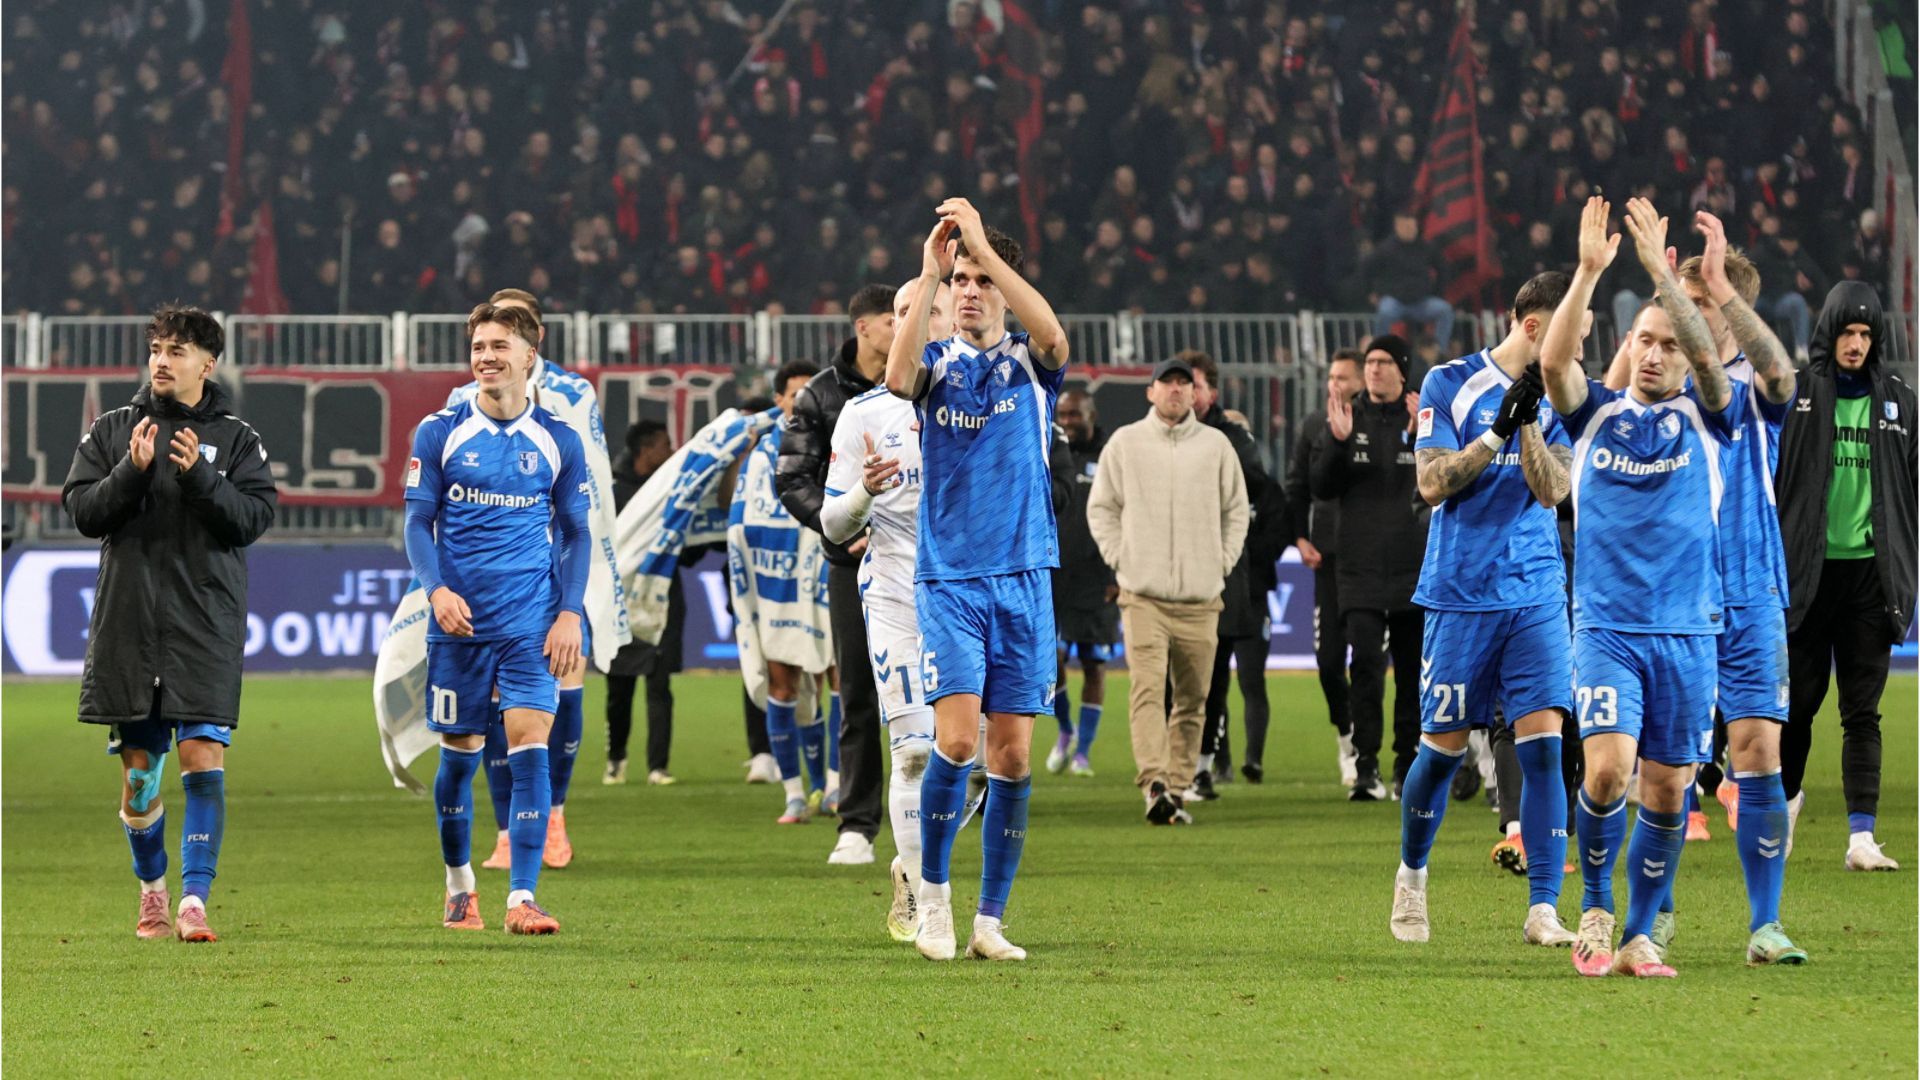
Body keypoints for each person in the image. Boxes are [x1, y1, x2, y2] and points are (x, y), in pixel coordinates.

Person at [1601, 216, 1811, 960]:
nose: (1681, 318)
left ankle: (1764, 923)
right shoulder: (1652, 388)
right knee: (1668, 769)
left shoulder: (1751, 387)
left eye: (1698, 304)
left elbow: (1785, 376)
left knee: (1757, 750)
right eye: (1673, 302)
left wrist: (1712, 283)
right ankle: (1653, 915)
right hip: (1669, 599)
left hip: (1749, 587)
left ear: (1725, 310)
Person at [1542, 197, 1739, 978]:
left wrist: (1662, 271)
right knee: (1607, 773)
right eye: (1642, 342)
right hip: (1608, 630)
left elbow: (1715, 368)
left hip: (1689, 633)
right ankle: (1595, 906)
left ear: (1690, 356)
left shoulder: (1712, 418)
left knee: (1666, 793)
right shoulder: (1595, 419)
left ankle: (1640, 934)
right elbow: (1556, 365)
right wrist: (1589, 274)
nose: (1653, 355)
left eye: (1668, 343)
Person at [885, 199, 1070, 962]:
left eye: (979, 280)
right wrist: (930, 270)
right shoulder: (937, 368)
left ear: (1003, 285)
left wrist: (989, 249)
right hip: (952, 580)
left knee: (1014, 758)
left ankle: (990, 922)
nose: (967, 291)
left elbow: (1055, 333)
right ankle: (934, 900)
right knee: (955, 744)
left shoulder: (1033, 363)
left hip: (1026, 578)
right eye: (959, 280)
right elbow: (896, 377)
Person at [63, 306, 278, 942]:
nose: (162, 359)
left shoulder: (238, 440)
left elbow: (252, 520)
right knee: (139, 779)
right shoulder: (111, 430)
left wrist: (200, 475)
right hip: (129, 626)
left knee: (203, 756)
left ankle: (192, 902)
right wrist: (130, 471)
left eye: (177, 350)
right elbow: (82, 511)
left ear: (207, 364)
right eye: (157, 348)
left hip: (203, 621)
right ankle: (151, 889)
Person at [1384, 270, 1582, 949]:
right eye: (1571, 332)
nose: (1579, 345)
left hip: (1534, 593)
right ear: (1534, 329)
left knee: (1545, 748)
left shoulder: (1561, 396)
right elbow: (1433, 483)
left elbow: (1554, 490)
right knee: (1439, 754)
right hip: (1461, 594)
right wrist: (1495, 432)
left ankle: (1544, 908)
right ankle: (1411, 876)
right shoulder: (1449, 382)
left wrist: (1526, 424)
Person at [405, 301, 589, 935]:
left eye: (498, 346)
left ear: (529, 355)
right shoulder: (439, 431)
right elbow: (415, 523)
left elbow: (577, 534)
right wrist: (435, 592)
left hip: (530, 626)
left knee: (529, 747)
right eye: (478, 345)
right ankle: (460, 887)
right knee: (459, 756)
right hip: (458, 627)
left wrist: (568, 612)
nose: (486, 356)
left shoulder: (559, 439)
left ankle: (522, 897)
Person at [451, 289, 618, 873]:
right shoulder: (461, 399)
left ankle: (555, 814)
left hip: (561, 566)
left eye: (508, 334)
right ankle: (506, 829)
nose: (491, 351)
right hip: (495, 577)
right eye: (485, 339)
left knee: (565, 689)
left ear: (534, 337)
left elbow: (594, 483)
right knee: (501, 704)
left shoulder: (575, 394)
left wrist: (595, 572)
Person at [821, 274, 954, 943]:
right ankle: (929, 898)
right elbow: (833, 523)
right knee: (914, 754)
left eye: (922, 310)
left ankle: (918, 862)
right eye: (900, 313)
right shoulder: (864, 415)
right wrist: (865, 497)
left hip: (974, 595)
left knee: (977, 762)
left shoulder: (988, 405)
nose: (910, 322)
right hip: (896, 591)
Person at [1776, 280, 1917, 872]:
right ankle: (1780, 814)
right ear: (1828, 333)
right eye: (1846, 332)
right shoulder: (1797, 395)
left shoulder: (1901, 402)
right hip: (1807, 576)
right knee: (1799, 707)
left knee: (1863, 711)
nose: (1855, 343)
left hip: (1869, 578)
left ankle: (1862, 837)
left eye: (1865, 334)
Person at [1086, 355, 1250, 825]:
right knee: (1147, 689)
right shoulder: (1125, 443)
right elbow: (1102, 509)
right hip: (1144, 595)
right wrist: (1123, 559)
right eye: (1167, 383)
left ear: (1195, 393)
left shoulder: (1216, 445)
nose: (1176, 390)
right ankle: (1154, 782)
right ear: (1151, 391)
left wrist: (1218, 564)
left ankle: (1176, 789)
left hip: (1201, 596)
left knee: (1194, 699)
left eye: (1184, 383)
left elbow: (1236, 512)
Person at [778, 284, 898, 866]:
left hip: (923, 562)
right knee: (857, 691)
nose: (903, 327)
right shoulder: (820, 396)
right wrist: (844, 533)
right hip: (851, 565)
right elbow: (792, 480)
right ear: (865, 328)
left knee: (937, 691)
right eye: (892, 319)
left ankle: (937, 808)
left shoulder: (921, 381)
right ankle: (857, 823)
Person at [1311, 334, 1425, 803]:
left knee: (1411, 675)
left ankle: (1405, 766)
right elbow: (1321, 486)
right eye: (1370, 362)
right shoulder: (1345, 418)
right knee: (1365, 670)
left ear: (1402, 370)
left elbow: (1444, 483)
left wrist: (1425, 440)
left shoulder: (1424, 418)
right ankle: (1366, 768)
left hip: (1412, 567)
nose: (1374, 370)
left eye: (1383, 363)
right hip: (1357, 570)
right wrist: (1337, 444)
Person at [736, 360, 834, 824]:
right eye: (793, 394)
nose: (800, 402)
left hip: (824, 572)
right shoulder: (759, 456)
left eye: (808, 393)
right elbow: (742, 519)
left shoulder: (835, 438)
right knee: (784, 682)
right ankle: (795, 793)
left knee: (835, 678)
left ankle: (833, 785)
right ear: (778, 399)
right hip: (776, 580)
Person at [1185, 349, 1279, 799]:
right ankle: (1175, 764)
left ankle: (1202, 766)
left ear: (1211, 392)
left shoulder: (1232, 436)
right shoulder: (1153, 433)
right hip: (1169, 573)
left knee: (1216, 675)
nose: (1186, 393)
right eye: (1181, 384)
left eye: (1196, 385)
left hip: (1221, 574)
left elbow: (1259, 485)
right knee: (1171, 682)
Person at [1287, 349, 1363, 787]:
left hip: (1374, 559)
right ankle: (1347, 738)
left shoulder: (1378, 423)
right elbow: (1297, 485)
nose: (1334, 383)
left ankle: (1376, 753)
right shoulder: (1314, 426)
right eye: (1331, 376)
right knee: (1330, 660)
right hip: (1329, 558)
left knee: (1374, 663)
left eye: (1342, 377)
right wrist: (1300, 536)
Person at [604, 420, 684, 785]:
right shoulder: (613, 493)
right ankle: (616, 758)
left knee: (659, 683)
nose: (670, 451)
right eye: (665, 444)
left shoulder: (673, 493)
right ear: (645, 450)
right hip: (620, 601)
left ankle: (658, 766)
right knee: (619, 688)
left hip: (663, 597)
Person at [1046, 389, 1118, 779]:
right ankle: (1065, 731)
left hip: (1097, 579)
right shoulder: (1049, 448)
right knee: (1050, 663)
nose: (1068, 421)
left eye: (1075, 414)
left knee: (1094, 664)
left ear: (1091, 414)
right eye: (1063, 414)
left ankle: (1083, 753)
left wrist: (1117, 574)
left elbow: (1127, 513)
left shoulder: (1111, 455)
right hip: (1052, 575)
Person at [1366, 212, 1455, 349]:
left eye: (1412, 227)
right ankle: (1381, 350)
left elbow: (1443, 268)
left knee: (1444, 310)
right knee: (1384, 313)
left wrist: (1437, 293)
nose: (1410, 230)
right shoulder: (1385, 249)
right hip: (1395, 300)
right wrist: (1374, 292)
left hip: (1421, 301)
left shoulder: (1426, 247)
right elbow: (1370, 271)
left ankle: (1438, 351)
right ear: (1397, 227)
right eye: (1406, 227)